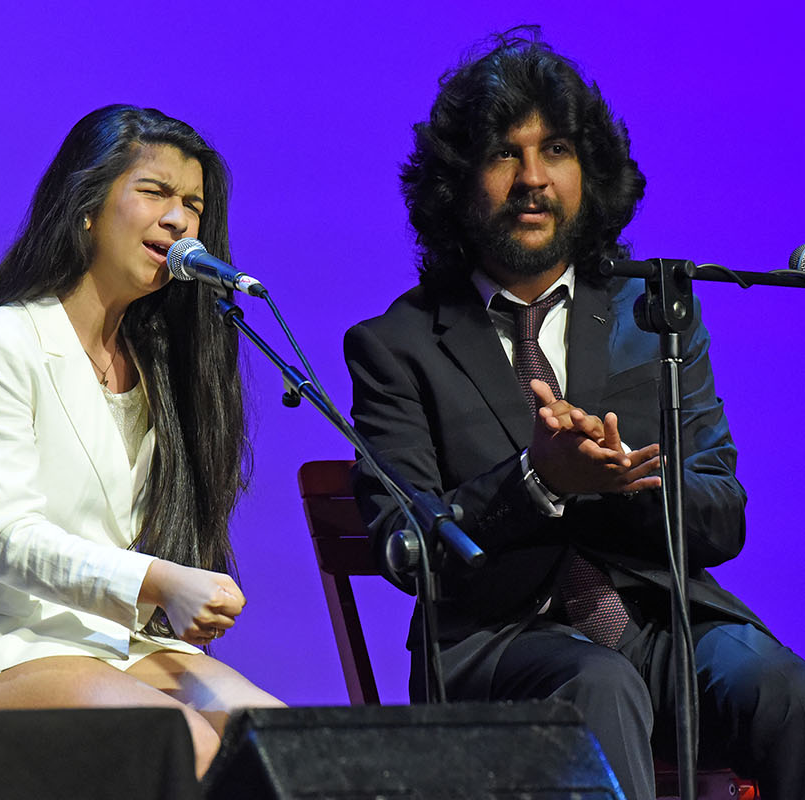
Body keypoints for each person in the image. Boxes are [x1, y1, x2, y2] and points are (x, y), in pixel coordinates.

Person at [343, 30, 804, 800]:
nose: (532, 179)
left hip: (658, 624)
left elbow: (723, 517)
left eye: (554, 149)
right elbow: (405, 547)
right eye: (502, 153)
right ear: (457, 183)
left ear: (588, 174)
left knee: (781, 687)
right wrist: (536, 482)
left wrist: (627, 484)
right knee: (598, 684)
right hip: (497, 646)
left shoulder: (654, 317)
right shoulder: (394, 347)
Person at [0, 104, 282, 777]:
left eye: (192, 203)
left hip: (116, 641)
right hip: (1, 642)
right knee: (179, 743)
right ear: (84, 210)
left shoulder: (160, 359)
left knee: (281, 742)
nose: (179, 220)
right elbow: (7, 536)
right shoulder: (3, 341)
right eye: (155, 192)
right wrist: (160, 580)